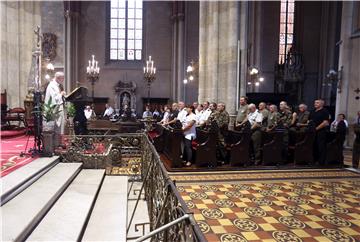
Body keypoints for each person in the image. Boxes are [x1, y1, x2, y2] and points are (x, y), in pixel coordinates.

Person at [44, 71, 66, 147]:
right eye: (62, 78)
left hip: (58, 108)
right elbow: (54, 100)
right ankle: (54, 145)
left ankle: (57, 144)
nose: (63, 80)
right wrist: (61, 94)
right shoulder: (52, 86)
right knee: (56, 127)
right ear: (58, 78)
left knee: (59, 128)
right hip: (54, 109)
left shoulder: (57, 85)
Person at [309, 99, 330, 165]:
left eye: (317, 103)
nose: (315, 104)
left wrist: (316, 129)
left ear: (322, 104)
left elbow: (325, 122)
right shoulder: (312, 111)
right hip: (312, 132)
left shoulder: (325, 111)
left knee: (320, 147)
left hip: (321, 131)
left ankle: (321, 161)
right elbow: (309, 120)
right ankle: (314, 160)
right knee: (313, 146)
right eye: (315, 102)